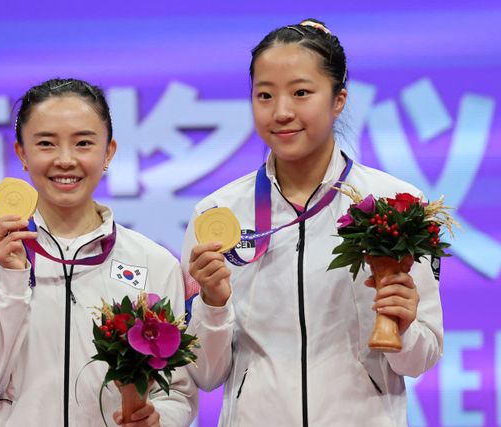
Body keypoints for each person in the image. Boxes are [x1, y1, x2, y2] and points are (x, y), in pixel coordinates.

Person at [182, 19, 443, 426]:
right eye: (265, 95)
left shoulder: (397, 206)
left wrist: (404, 328)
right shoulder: (216, 214)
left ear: (339, 100)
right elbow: (205, 374)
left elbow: (420, 360)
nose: (281, 112)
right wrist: (212, 305)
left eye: (301, 92)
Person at [0, 78, 197, 427]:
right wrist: (13, 280)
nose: (65, 160)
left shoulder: (154, 263)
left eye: (83, 143)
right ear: (22, 153)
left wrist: (159, 420)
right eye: (46, 143)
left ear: (108, 152)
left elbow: (178, 393)